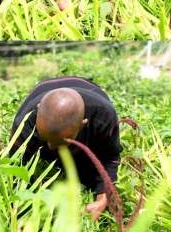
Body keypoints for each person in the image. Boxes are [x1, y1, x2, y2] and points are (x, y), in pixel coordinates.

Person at [9, 76, 121, 221]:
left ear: (83, 123)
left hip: (90, 96)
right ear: (38, 112)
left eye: (61, 142)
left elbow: (110, 157)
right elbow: (14, 166)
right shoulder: (25, 122)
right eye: (46, 139)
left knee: (87, 174)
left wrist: (103, 197)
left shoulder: (103, 116)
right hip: (42, 92)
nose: (52, 147)